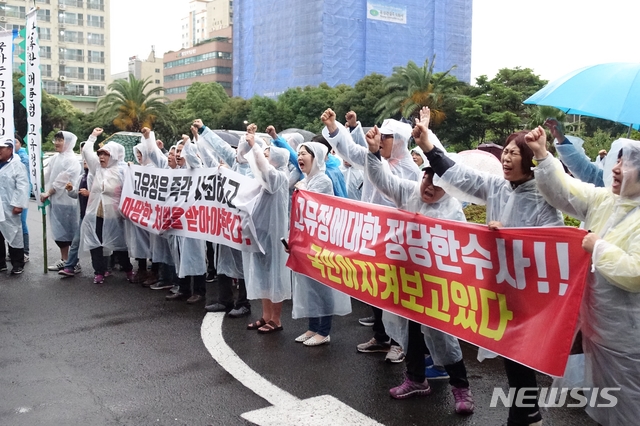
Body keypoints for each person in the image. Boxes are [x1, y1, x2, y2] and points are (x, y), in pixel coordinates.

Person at [415, 107, 563, 426]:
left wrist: (509, 238)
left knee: (522, 352)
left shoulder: (544, 196)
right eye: (505, 152)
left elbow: (553, 243)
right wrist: (428, 144)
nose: (506, 158)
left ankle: (526, 413)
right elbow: (458, 174)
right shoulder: (496, 186)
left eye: (514, 153)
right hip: (501, 287)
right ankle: (525, 412)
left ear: (529, 158)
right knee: (511, 352)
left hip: (529, 289)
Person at [526, 126, 640, 426]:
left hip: (629, 339)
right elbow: (563, 191)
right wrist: (542, 154)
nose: (615, 168)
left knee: (631, 404)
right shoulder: (605, 200)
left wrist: (598, 247)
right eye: (617, 159)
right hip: (598, 330)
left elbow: (634, 273)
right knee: (605, 403)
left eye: (626, 162)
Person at [363, 122, 474, 413]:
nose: (430, 189)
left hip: (437, 285)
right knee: (411, 332)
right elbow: (382, 180)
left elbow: (462, 249)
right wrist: (373, 154)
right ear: (423, 175)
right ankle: (415, 379)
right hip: (408, 280)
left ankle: (461, 389)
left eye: (439, 186)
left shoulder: (453, 211)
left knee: (443, 337)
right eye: (428, 180)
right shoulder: (410, 191)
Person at [322, 107, 422, 363]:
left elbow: (389, 185)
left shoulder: (410, 169)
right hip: (374, 233)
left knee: (397, 293)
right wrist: (335, 128)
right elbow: (352, 152)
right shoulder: (374, 156)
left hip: (398, 239)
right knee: (377, 286)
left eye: (387, 137)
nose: (382, 140)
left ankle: (400, 342)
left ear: (399, 142)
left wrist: (374, 155)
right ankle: (381, 336)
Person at [289, 142, 352, 346]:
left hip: (321, 243)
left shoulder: (322, 180)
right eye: (298, 153)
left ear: (316, 157)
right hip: (306, 240)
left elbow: (312, 206)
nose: (299, 157)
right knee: (309, 286)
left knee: (322, 285)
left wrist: (303, 189)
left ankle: (324, 331)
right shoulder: (306, 179)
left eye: (304, 153)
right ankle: (313, 326)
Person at [242, 130, 291, 334]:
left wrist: (255, 146)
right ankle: (265, 316)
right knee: (263, 278)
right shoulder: (265, 178)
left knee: (275, 278)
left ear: (278, 159)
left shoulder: (278, 177)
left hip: (273, 236)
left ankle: (276, 320)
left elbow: (262, 166)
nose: (265, 156)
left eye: (269, 154)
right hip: (261, 235)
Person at [81, 129, 134, 284]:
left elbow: (130, 190)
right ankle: (99, 271)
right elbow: (86, 151)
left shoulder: (123, 170)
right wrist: (93, 136)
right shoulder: (97, 167)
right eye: (100, 154)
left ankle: (128, 269)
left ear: (115, 155)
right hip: (95, 212)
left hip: (114, 213)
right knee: (95, 241)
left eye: (106, 154)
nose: (102, 157)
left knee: (119, 243)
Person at [41, 131, 82, 271]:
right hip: (55, 201)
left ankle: (73, 262)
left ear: (69, 143)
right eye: (56, 139)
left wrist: (48, 192)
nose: (57, 142)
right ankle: (65, 260)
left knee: (69, 233)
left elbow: (62, 180)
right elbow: (46, 174)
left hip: (67, 202)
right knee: (59, 233)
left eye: (61, 140)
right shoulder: (55, 158)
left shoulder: (71, 160)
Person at [0, 137, 30, 275]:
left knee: (14, 234)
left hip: (10, 206)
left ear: (10, 149)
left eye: (1, 148)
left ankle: (18, 263)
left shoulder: (17, 165)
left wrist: (19, 204)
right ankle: (1, 263)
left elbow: (23, 186)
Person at [58, 152, 90, 277]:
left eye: (88, 160)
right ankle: (69, 266)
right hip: (83, 214)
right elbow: (75, 194)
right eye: (84, 160)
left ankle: (104, 268)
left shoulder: (97, 175)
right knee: (76, 241)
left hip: (96, 215)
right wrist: (70, 189)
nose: (85, 162)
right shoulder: (82, 176)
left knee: (99, 243)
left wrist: (90, 193)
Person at [14, 135, 30, 262]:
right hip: (11, 194)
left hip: (22, 193)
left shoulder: (23, 157)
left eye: (16, 142)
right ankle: (14, 252)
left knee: (21, 222)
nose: (14, 144)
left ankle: (25, 252)